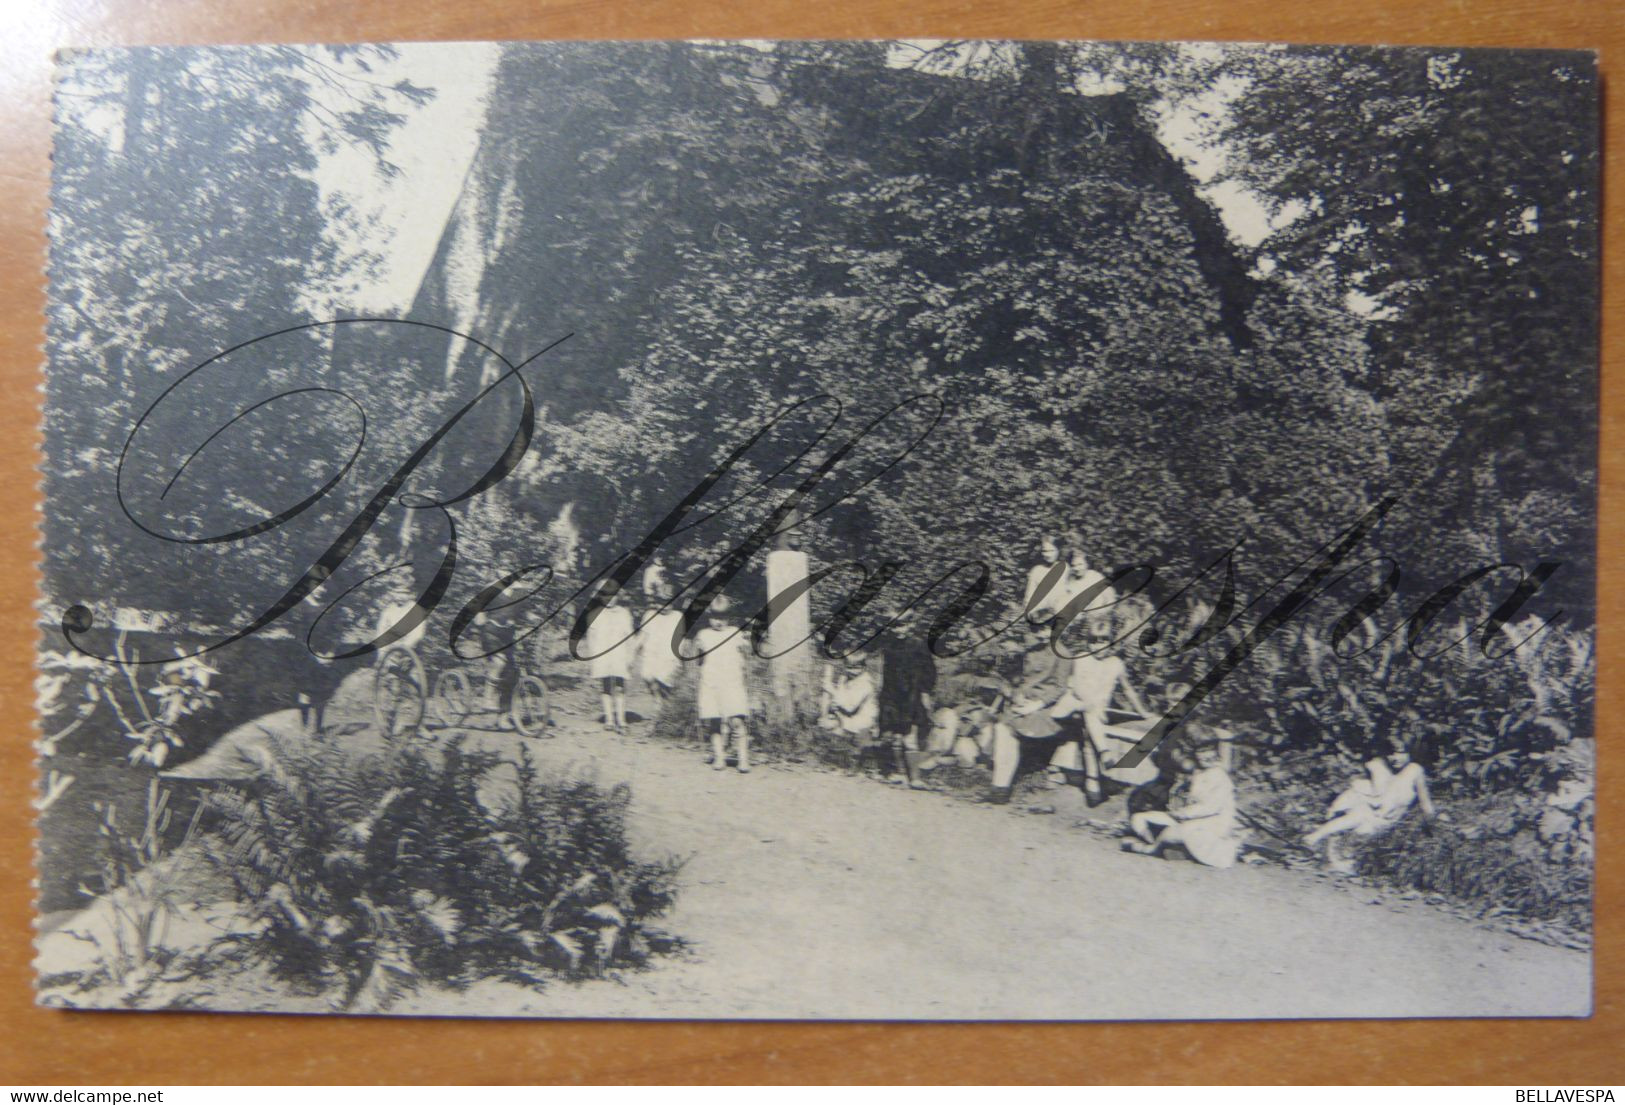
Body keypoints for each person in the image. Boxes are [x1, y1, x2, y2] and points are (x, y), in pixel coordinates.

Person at [1304, 737, 1443, 870]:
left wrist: (1433, 825)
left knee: (1360, 831)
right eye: (1390, 753)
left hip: (1386, 822)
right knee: (1355, 816)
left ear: (1409, 753)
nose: (1394, 758)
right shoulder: (1382, 769)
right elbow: (1364, 789)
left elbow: (1426, 804)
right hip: (1370, 812)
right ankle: (1315, 838)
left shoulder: (1414, 771)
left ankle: (1336, 853)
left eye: (1400, 753)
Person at [1123, 730, 1240, 868]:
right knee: (1138, 818)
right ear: (1193, 753)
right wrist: (1178, 801)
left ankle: (1152, 849)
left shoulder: (1219, 776)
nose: (1207, 755)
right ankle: (1158, 843)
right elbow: (1186, 798)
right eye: (1201, 751)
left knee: (1172, 832)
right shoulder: (1197, 773)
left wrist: (1183, 813)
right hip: (1190, 818)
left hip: (1212, 822)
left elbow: (1210, 808)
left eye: (1210, 750)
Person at [987, 628, 1072, 803]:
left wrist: (1035, 705)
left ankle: (1002, 786)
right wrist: (1018, 695)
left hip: (1046, 707)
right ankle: (1000, 787)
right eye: (1035, 629)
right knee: (1002, 727)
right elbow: (1024, 681)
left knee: (1010, 728)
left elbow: (1060, 688)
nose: (1039, 634)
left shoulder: (1063, 654)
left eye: (1045, 629)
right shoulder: (1032, 650)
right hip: (1025, 702)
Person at [878, 614, 939, 788]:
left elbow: (930, 671)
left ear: (910, 625)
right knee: (896, 736)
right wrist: (883, 698)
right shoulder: (889, 646)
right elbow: (886, 674)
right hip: (892, 696)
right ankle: (900, 773)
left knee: (910, 737)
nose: (899, 630)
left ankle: (916, 777)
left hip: (912, 696)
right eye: (895, 626)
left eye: (902, 626)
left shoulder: (918, 645)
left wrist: (926, 693)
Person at [696, 596, 753, 773]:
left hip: (732, 683)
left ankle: (743, 759)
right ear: (709, 617)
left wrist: (746, 645)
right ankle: (719, 756)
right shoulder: (704, 635)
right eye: (714, 617)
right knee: (714, 721)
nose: (718, 622)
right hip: (711, 683)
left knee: (737, 721)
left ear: (729, 618)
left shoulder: (736, 633)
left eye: (722, 617)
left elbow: (747, 653)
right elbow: (699, 659)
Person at [585, 589, 635, 733]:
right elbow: (591, 637)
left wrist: (630, 655)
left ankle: (621, 719)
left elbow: (629, 635)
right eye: (606, 596)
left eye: (613, 596)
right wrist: (592, 656)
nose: (610, 599)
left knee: (619, 686)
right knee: (606, 685)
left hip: (619, 653)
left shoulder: (624, 613)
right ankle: (609, 719)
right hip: (602, 653)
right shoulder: (594, 613)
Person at [636, 585, 683, 703]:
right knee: (647, 675)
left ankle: (663, 704)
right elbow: (642, 634)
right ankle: (657, 697)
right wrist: (635, 648)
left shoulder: (677, 616)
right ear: (655, 602)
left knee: (664, 679)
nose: (664, 607)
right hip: (651, 653)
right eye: (661, 603)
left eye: (669, 603)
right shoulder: (649, 615)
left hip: (668, 654)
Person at [1023, 535, 1069, 623]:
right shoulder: (1036, 570)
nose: (1048, 554)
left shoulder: (1065, 568)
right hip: (1040, 613)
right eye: (1045, 551)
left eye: (1052, 550)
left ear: (1058, 551)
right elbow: (1029, 595)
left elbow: (1070, 591)